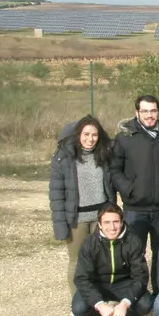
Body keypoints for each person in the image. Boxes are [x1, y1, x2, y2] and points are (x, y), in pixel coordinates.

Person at [110, 95, 159, 294]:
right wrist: (128, 189)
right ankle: (136, 294)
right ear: (136, 112)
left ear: (158, 112)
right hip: (134, 209)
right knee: (134, 254)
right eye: (145, 111)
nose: (149, 115)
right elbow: (115, 169)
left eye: (153, 111)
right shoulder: (125, 138)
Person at [50, 116, 116, 297]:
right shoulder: (64, 158)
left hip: (101, 218)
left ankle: (101, 299)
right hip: (76, 220)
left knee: (102, 261)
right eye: (86, 134)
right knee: (77, 261)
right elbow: (56, 195)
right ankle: (78, 303)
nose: (90, 139)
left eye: (94, 135)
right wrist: (60, 224)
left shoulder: (104, 154)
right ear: (78, 135)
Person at [71, 204, 153, 316]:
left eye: (116, 222)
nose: (112, 227)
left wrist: (125, 303)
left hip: (124, 283)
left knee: (146, 302)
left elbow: (141, 277)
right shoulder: (89, 243)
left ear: (121, 222)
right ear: (100, 225)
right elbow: (81, 278)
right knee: (78, 308)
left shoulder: (133, 241)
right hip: (98, 284)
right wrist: (99, 304)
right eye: (107, 222)